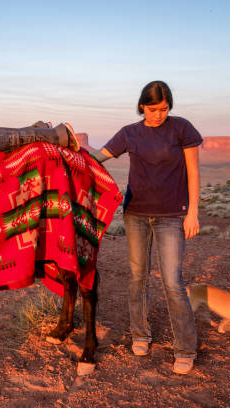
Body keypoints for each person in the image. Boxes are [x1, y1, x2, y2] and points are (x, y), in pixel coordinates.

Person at [93, 81, 201, 375]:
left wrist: (193, 213)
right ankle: (140, 334)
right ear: (142, 106)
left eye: (164, 109)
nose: (159, 115)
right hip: (136, 215)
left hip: (171, 216)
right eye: (153, 109)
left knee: (172, 283)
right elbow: (96, 158)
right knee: (137, 277)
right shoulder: (130, 132)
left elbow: (193, 171)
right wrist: (65, 152)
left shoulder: (181, 129)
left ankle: (185, 348)